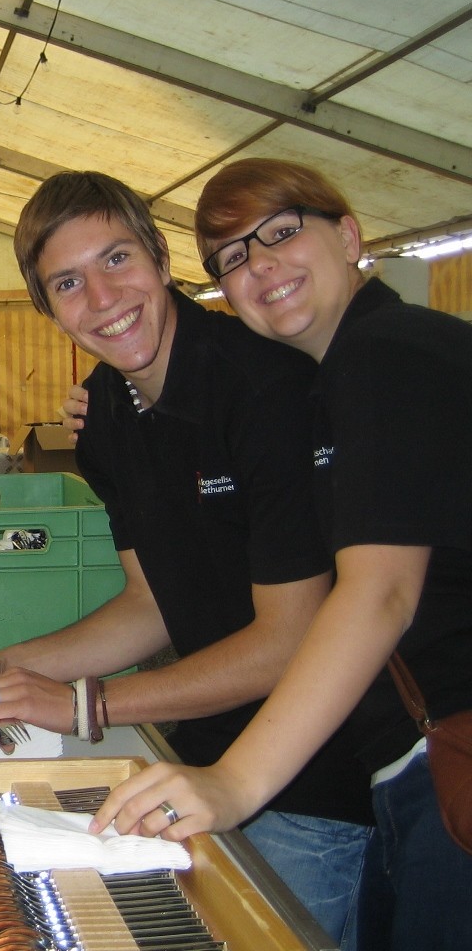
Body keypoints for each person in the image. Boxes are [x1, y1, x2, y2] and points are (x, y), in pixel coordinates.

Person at [0, 171, 373, 945]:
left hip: (309, 781)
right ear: (48, 310)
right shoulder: (105, 414)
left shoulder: (262, 389)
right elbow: (151, 603)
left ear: (162, 260)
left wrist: (84, 706)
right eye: (68, 283)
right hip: (191, 761)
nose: (103, 298)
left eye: (117, 259)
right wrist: (9, 666)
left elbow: (293, 638)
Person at [92, 158, 472, 949]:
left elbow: (381, 593)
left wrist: (235, 783)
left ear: (350, 237)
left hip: (446, 748)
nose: (260, 264)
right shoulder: (336, 379)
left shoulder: (387, 355)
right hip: (414, 756)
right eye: (232, 257)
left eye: (282, 232)